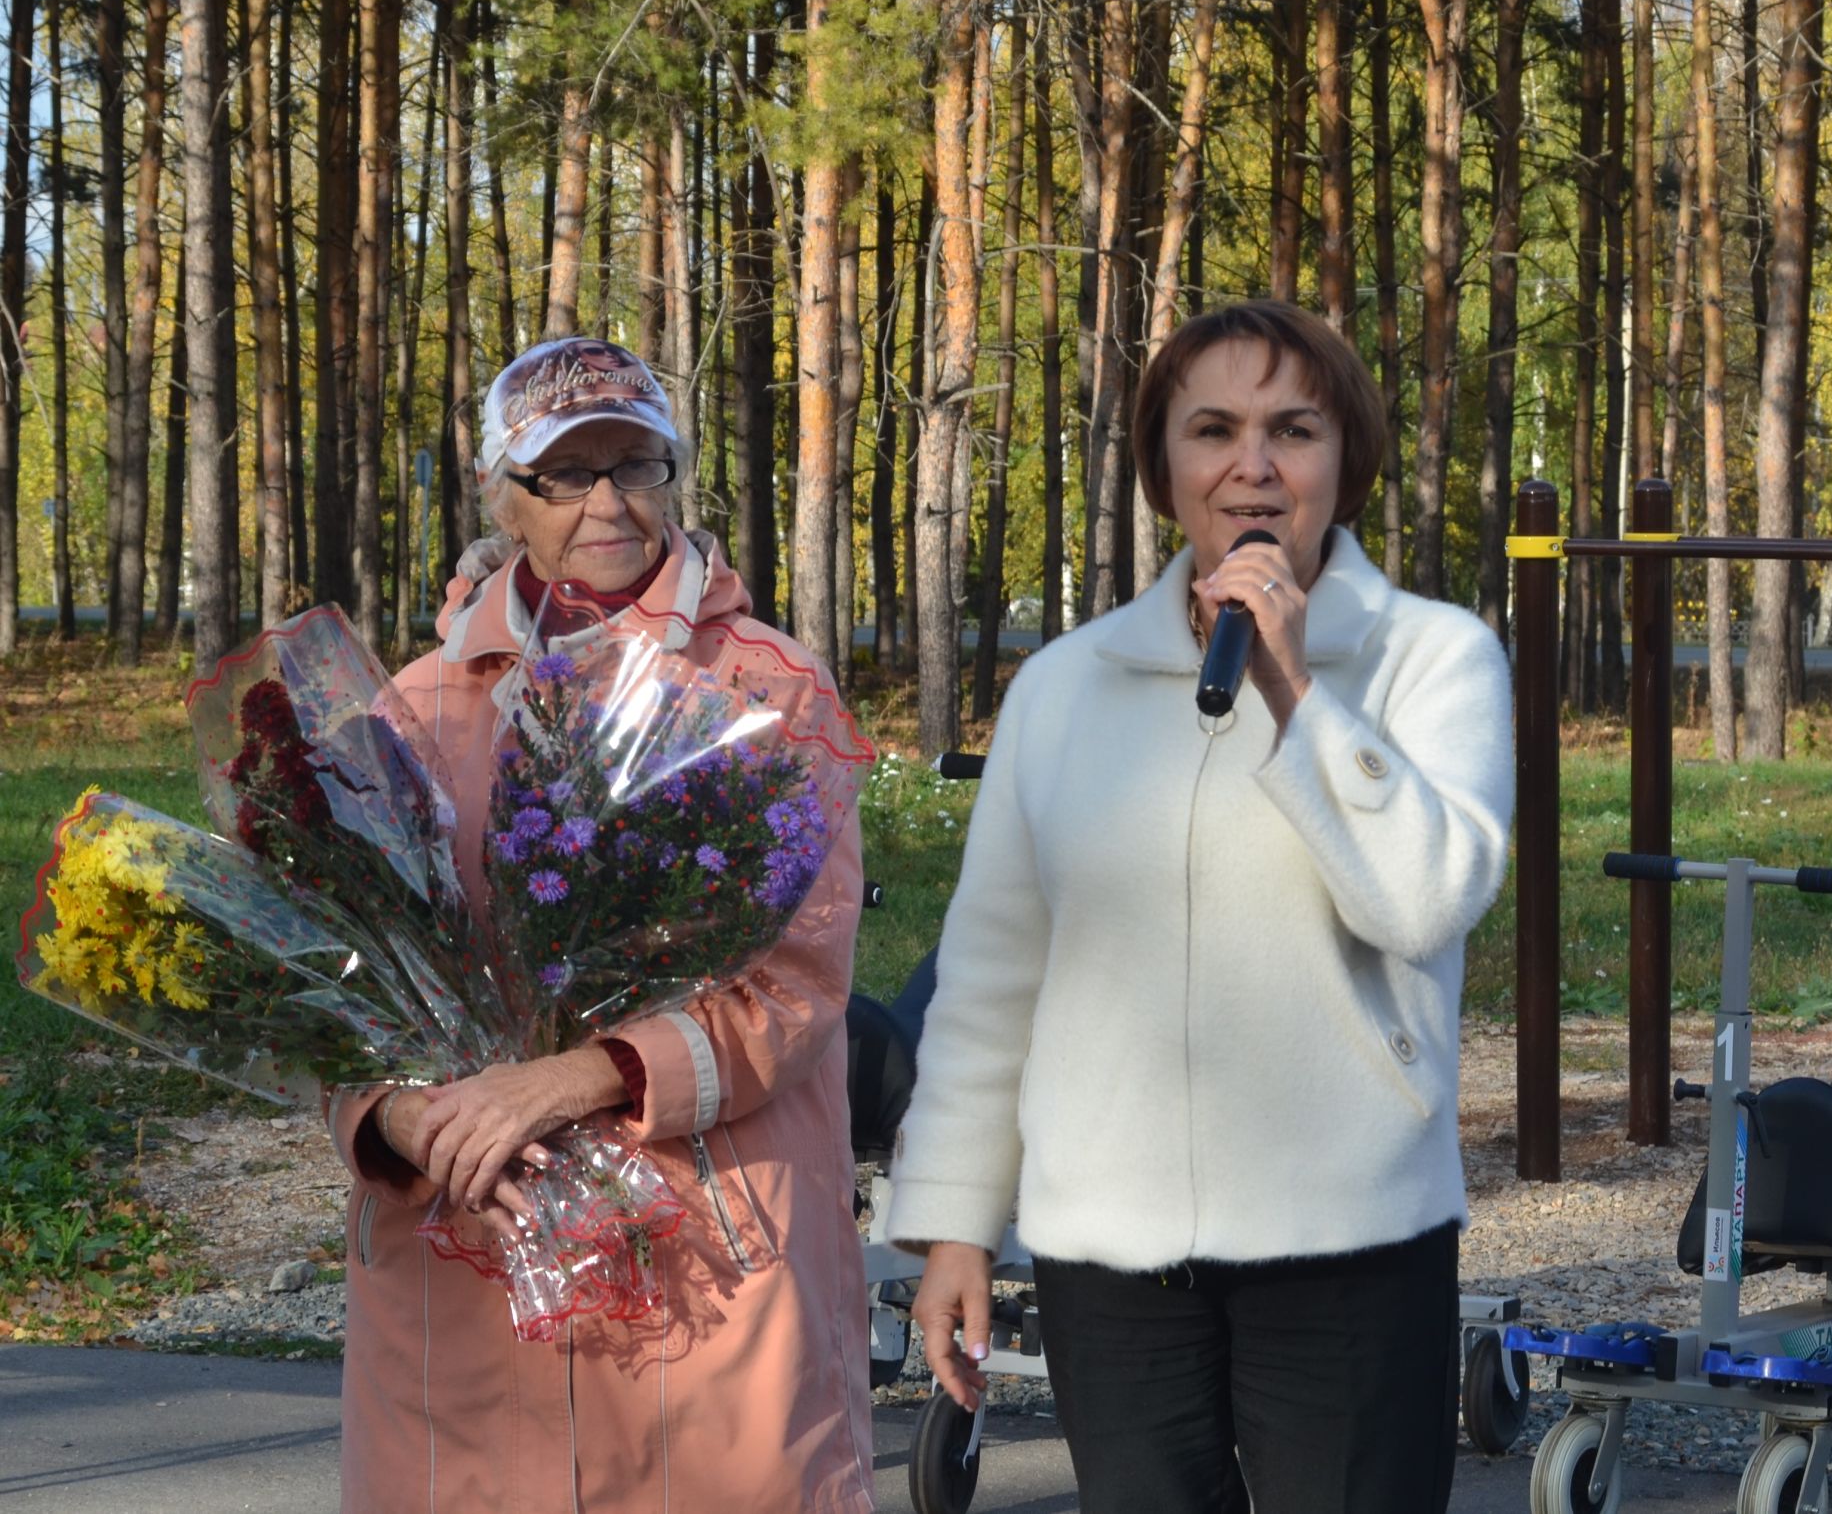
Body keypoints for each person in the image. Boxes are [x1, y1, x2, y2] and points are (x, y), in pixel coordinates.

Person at [886, 300, 1514, 1514]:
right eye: (1213, 428)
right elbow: (994, 977)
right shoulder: (1068, 685)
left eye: (1295, 429)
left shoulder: (1433, 659)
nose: (1255, 464)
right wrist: (956, 1221)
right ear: (1164, 466)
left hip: (1346, 1235)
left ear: (1347, 461)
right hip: (1109, 1255)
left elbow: (1427, 899)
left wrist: (1298, 694)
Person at [325, 337, 875, 1513]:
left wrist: (573, 1077)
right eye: (565, 474)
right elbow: (334, 980)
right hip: (466, 1256)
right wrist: (398, 1114)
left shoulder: (766, 691)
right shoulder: (413, 706)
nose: (608, 502)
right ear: (502, 496)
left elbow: (796, 985)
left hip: (704, 1248)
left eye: (637, 463)